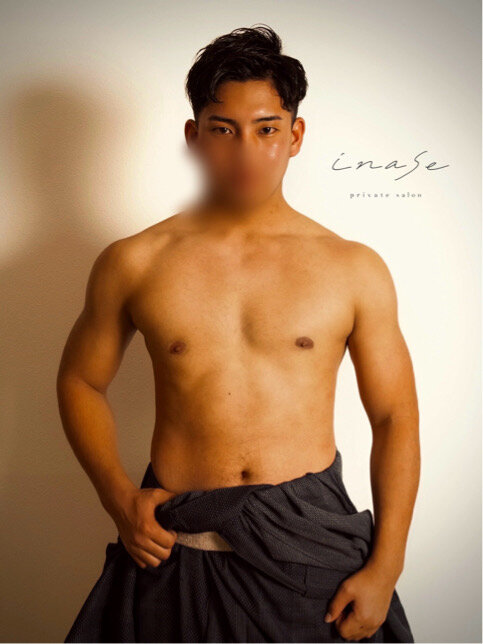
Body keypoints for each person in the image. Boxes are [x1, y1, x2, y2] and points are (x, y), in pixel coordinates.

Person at [58, 23, 419, 643]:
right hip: (174, 548)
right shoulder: (135, 262)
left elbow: (394, 417)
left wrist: (386, 567)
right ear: (194, 136)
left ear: (295, 136)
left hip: (309, 553)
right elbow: (80, 381)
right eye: (224, 129)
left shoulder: (353, 268)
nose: (247, 152)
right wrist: (118, 498)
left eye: (266, 129)